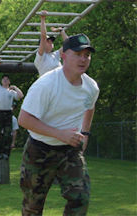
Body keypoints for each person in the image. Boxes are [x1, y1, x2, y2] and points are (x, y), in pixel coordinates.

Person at [18, 33, 99, 215]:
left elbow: (89, 108)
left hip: (70, 150)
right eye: (78, 54)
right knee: (33, 206)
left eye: (87, 55)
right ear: (63, 56)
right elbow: (24, 119)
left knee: (80, 198)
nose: (83, 59)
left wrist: (85, 134)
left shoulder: (91, 87)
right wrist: (59, 134)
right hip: (39, 150)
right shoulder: (46, 84)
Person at [0, 59, 23, 160]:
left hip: (8, 114)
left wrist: (15, 87)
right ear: (1, 81)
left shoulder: (11, 92)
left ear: (9, 82)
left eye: (7, 79)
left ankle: (5, 153)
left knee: (7, 135)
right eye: (3, 79)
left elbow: (21, 95)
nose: (5, 80)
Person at [34, 10, 68, 76]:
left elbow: (68, 43)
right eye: (48, 41)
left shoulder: (55, 55)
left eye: (51, 41)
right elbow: (43, 36)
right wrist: (43, 19)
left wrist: (61, 31)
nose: (51, 43)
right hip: (47, 85)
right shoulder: (40, 56)